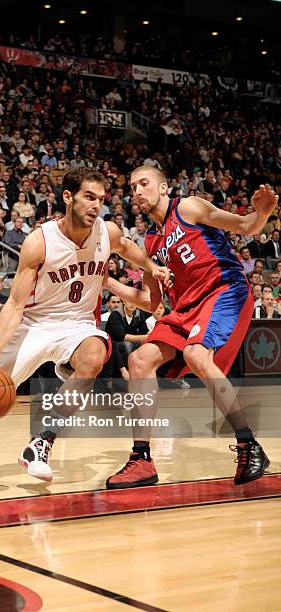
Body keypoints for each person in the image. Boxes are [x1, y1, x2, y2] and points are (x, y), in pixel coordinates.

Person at [0, 168, 170, 484]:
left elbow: (126, 247)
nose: (96, 206)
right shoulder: (40, 241)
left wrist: (152, 267)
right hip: (35, 325)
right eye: (88, 197)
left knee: (95, 357)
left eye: (100, 199)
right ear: (68, 197)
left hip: (79, 326)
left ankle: (41, 443)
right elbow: (14, 304)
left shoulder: (106, 232)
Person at [106, 167, 278, 490]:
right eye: (132, 187)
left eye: (144, 184)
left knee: (196, 354)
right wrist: (107, 281)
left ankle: (248, 444)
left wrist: (262, 212)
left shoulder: (186, 208)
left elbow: (245, 225)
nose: (137, 191)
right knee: (139, 362)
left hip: (222, 289)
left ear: (164, 186)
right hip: (186, 307)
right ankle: (141, 459)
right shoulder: (151, 242)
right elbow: (149, 302)